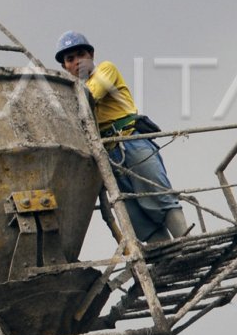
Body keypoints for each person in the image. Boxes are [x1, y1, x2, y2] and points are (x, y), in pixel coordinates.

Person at [54, 31, 190, 242]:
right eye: (70, 59)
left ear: (91, 55)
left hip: (130, 141)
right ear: (65, 67)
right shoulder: (71, 94)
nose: (76, 62)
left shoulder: (105, 70)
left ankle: (187, 243)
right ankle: (166, 255)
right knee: (135, 215)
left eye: (80, 54)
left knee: (158, 194)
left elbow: (89, 97)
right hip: (108, 156)